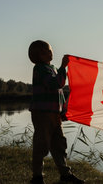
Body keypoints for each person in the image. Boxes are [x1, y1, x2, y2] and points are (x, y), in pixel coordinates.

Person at [28, 40, 84, 184]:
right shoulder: (40, 69)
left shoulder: (51, 68)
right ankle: (37, 177)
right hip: (42, 113)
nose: (52, 51)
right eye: (49, 50)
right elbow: (56, 84)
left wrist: (62, 110)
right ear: (41, 55)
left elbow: (58, 93)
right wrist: (63, 67)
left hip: (54, 114)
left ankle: (65, 174)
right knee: (42, 144)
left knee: (59, 143)